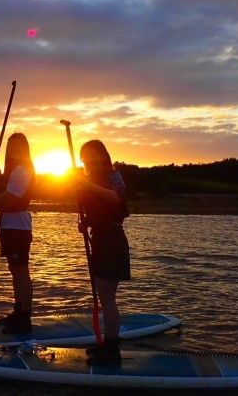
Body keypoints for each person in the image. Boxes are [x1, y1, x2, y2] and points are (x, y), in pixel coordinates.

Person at [72, 140, 130, 364]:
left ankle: (112, 349)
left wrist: (87, 186)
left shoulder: (113, 175)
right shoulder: (89, 180)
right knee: (103, 294)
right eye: (84, 156)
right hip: (99, 239)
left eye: (92, 155)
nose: (88, 160)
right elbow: (97, 210)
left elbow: (117, 198)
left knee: (107, 297)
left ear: (103, 155)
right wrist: (85, 222)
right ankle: (107, 343)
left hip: (113, 240)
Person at [0, 132, 36, 333]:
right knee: (15, 271)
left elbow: (10, 198)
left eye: (19, 147)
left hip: (18, 227)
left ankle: (25, 318)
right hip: (9, 226)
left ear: (25, 149)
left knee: (22, 272)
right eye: (12, 147)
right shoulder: (11, 171)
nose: (15, 151)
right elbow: (1, 191)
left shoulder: (22, 171)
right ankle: (17, 311)